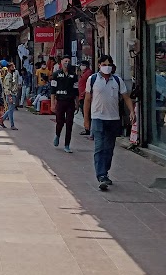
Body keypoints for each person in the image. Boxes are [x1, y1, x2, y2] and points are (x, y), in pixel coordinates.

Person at [84, 54, 135, 191]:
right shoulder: (93, 79)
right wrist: (86, 120)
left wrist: (132, 111)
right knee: (99, 147)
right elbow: (87, 100)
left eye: (109, 64)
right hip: (98, 118)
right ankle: (101, 175)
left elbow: (126, 97)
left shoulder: (117, 81)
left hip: (113, 119)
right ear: (99, 65)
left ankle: (104, 172)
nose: (107, 67)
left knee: (109, 149)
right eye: (104, 64)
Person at [51, 55, 78, 153]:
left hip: (70, 101)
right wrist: (52, 103)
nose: (67, 63)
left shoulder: (73, 75)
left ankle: (67, 145)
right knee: (60, 121)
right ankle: (57, 135)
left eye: (68, 61)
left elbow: (76, 90)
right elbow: (53, 90)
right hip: (60, 101)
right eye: (65, 61)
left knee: (69, 123)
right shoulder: (56, 74)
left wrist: (77, 103)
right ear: (61, 62)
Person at [0, 62, 19, 130]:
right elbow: (7, 88)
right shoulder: (8, 76)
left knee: (10, 109)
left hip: (13, 94)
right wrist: (10, 96)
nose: (14, 68)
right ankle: (12, 125)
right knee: (11, 110)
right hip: (11, 94)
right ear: (9, 68)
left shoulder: (11, 75)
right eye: (12, 67)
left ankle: (2, 120)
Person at [78, 61, 94, 135]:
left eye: (83, 65)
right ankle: (87, 128)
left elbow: (90, 85)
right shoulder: (84, 73)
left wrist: (84, 92)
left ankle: (89, 129)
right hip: (81, 96)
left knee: (87, 112)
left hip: (85, 96)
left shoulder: (88, 73)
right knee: (84, 112)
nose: (81, 66)